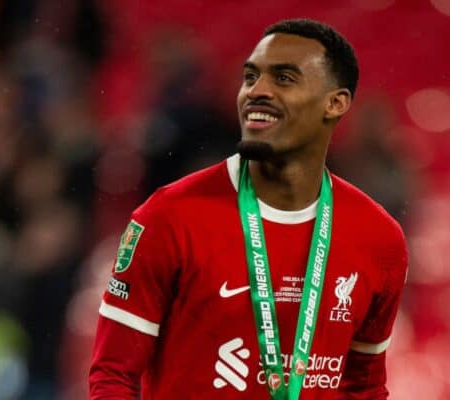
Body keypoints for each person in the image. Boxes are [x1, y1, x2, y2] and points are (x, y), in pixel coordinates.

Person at [89, 18, 408, 399]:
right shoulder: (169, 217)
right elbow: (112, 377)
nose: (257, 91)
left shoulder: (378, 238)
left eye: (284, 78)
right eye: (251, 77)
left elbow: (365, 387)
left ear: (335, 103)